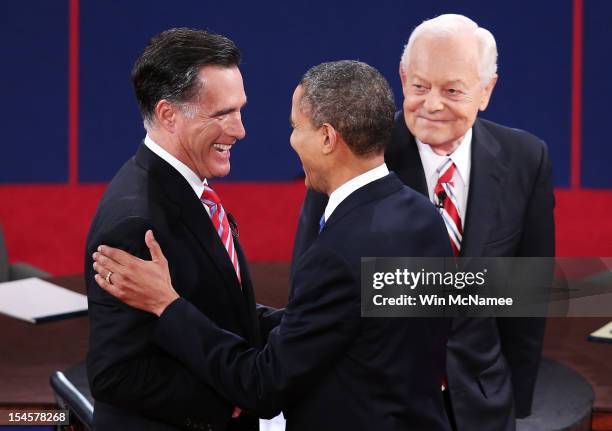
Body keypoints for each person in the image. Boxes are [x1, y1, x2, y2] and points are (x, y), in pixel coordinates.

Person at [92, 60, 454, 430]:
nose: (291, 140)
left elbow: (261, 387)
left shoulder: (338, 252)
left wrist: (166, 305)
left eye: (296, 127)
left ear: (328, 138)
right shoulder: (423, 216)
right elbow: (355, 322)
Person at [292, 14, 555, 431]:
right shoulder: (350, 157)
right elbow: (311, 292)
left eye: (452, 90)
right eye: (419, 86)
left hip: (483, 406)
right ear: (402, 76)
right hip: (377, 406)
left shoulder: (526, 158)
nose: (431, 104)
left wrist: (518, 403)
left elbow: (527, 296)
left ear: (486, 90)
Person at [85, 28, 281, 431]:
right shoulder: (136, 223)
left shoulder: (190, 189)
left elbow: (214, 306)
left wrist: (314, 324)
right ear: (168, 114)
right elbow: (116, 374)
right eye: (223, 114)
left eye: (240, 110)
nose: (240, 129)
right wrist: (234, 402)